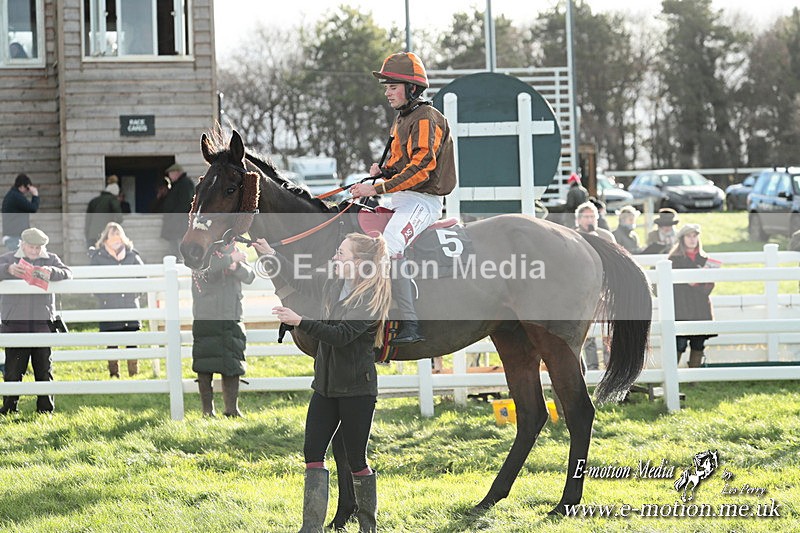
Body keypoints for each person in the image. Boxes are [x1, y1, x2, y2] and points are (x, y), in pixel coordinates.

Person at [252, 233, 391, 533]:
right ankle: (311, 528)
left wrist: (300, 321)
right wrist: (270, 254)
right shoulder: (333, 282)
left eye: (341, 254)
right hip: (325, 388)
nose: (335, 258)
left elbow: (341, 336)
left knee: (356, 459)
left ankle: (368, 528)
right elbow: (300, 278)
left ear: (359, 263)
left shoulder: (370, 298)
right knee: (313, 454)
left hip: (357, 390)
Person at [349, 51, 456, 346]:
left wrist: (376, 189)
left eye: (393, 87)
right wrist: (382, 171)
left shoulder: (427, 118)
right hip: (399, 198)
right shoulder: (403, 118)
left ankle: (410, 323)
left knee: (389, 245)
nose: (387, 93)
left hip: (423, 201)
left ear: (411, 88)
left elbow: (421, 169)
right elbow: (401, 163)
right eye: (386, 87)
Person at [0, 228, 72, 414]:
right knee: (13, 370)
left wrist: (51, 271)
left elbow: (67, 272)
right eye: (31, 247)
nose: (34, 251)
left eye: (38, 247)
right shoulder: (8, 258)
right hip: (15, 324)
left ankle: (46, 410)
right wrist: (7, 269)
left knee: (44, 369)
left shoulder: (51, 259)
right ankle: (9, 408)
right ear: (22, 244)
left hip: (42, 323)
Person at [191, 242, 255, 417]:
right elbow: (206, 267)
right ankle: (207, 411)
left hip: (232, 316)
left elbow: (250, 276)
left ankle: (231, 409)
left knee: (232, 364)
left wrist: (237, 266)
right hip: (207, 316)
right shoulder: (200, 251)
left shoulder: (236, 252)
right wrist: (230, 259)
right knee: (204, 365)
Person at [89, 223, 144, 378]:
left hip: (130, 304)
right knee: (112, 340)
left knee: (132, 340)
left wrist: (134, 294)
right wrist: (105, 297)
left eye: (118, 234)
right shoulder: (98, 257)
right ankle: (114, 373)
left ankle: (134, 373)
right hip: (109, 305)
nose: (115, 238)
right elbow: (94, 282)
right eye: (112, 235)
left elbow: (142, 277)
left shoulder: (132, 255)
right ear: (106, 238)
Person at [574, 202, 615, 370]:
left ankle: (609, 365)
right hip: (583, 290)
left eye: (592, 217)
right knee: (587, 331)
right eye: (586, 217)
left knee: (607, 329)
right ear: (578, 220)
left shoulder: (605, 236)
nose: (589, 220)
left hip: (604, 289)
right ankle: (591, 367)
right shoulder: (572, 236)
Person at [668, 224, 716, 367]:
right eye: (688, 236)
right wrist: (687, 282)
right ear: (682, 239)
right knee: (679, 342)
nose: (692, 239)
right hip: (681, 305)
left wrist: (698, 284)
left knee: (698, 342)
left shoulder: (705, 259)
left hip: (700, 305)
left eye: (695, 236)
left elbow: (710, 286)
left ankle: (694, 374)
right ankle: (672, 373)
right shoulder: (674, 259)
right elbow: (671, 286)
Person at [153, 163, 195, 261]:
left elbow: (185, 203)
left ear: (177, 172)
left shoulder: (185, 183)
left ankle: (181, 263)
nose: (169, 176)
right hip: (175, 223)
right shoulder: (178, 184)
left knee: (179, 246)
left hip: (180, 223)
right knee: (174, 246)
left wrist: (174, 216)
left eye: (170, 174)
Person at [2, 174, 40, 252]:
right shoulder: (16, 197)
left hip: (12, 237)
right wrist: (35, 195)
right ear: (22, 186)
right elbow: (33, 208)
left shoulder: (12, 195)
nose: (27, 191)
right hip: (14, 238)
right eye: (27, 188)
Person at [85, 181, 124, 247]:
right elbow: (119, 218)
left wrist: (88, 236)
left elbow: (88, 221)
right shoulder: (112, 200)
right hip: (105, 236)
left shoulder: (93, 201)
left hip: (92, 236)